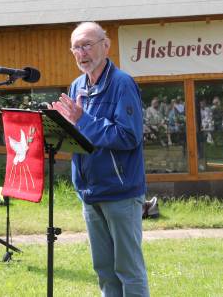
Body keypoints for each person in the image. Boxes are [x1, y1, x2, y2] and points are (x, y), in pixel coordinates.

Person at [52, 21, 149, 297]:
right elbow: (81, 136)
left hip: (120, 193)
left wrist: (83, 120)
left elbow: (128, 136)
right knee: (104, 271)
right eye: (76, 48)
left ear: (106, 46)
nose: (82, 53)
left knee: (129, 271)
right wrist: (58, 126)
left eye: (87, 45)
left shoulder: (122, 84)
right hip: (89, 192)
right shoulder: (76, 86)